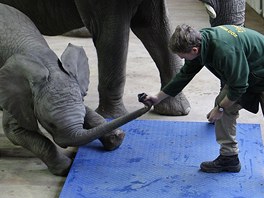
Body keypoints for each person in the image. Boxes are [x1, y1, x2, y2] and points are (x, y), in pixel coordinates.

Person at [143, 24, 264, 173]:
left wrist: (220, 108)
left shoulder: (224, 51)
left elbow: (239, 86)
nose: (180, 58)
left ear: (194, 50)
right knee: (223, 103)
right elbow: (184, 75)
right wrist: (158, 97)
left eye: (182, 55)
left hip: (257, 71)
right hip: (248, 72)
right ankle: (229, 158)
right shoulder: (200, 42)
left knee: (223, 106)